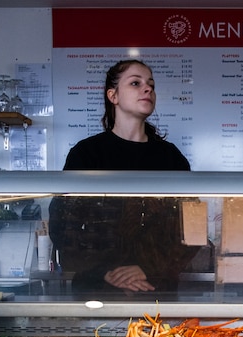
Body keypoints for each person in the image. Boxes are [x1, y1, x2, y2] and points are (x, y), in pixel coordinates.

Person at [48, 59, 198, 294]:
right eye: (135, 83)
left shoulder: (171, 158)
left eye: (151, 85)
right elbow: (63, 225)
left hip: (156, 291)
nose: (147, 89)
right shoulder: (86, 154)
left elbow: (192, 229)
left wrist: (148, 267)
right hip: (96, 292)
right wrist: (106, 271)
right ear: (113, 96)